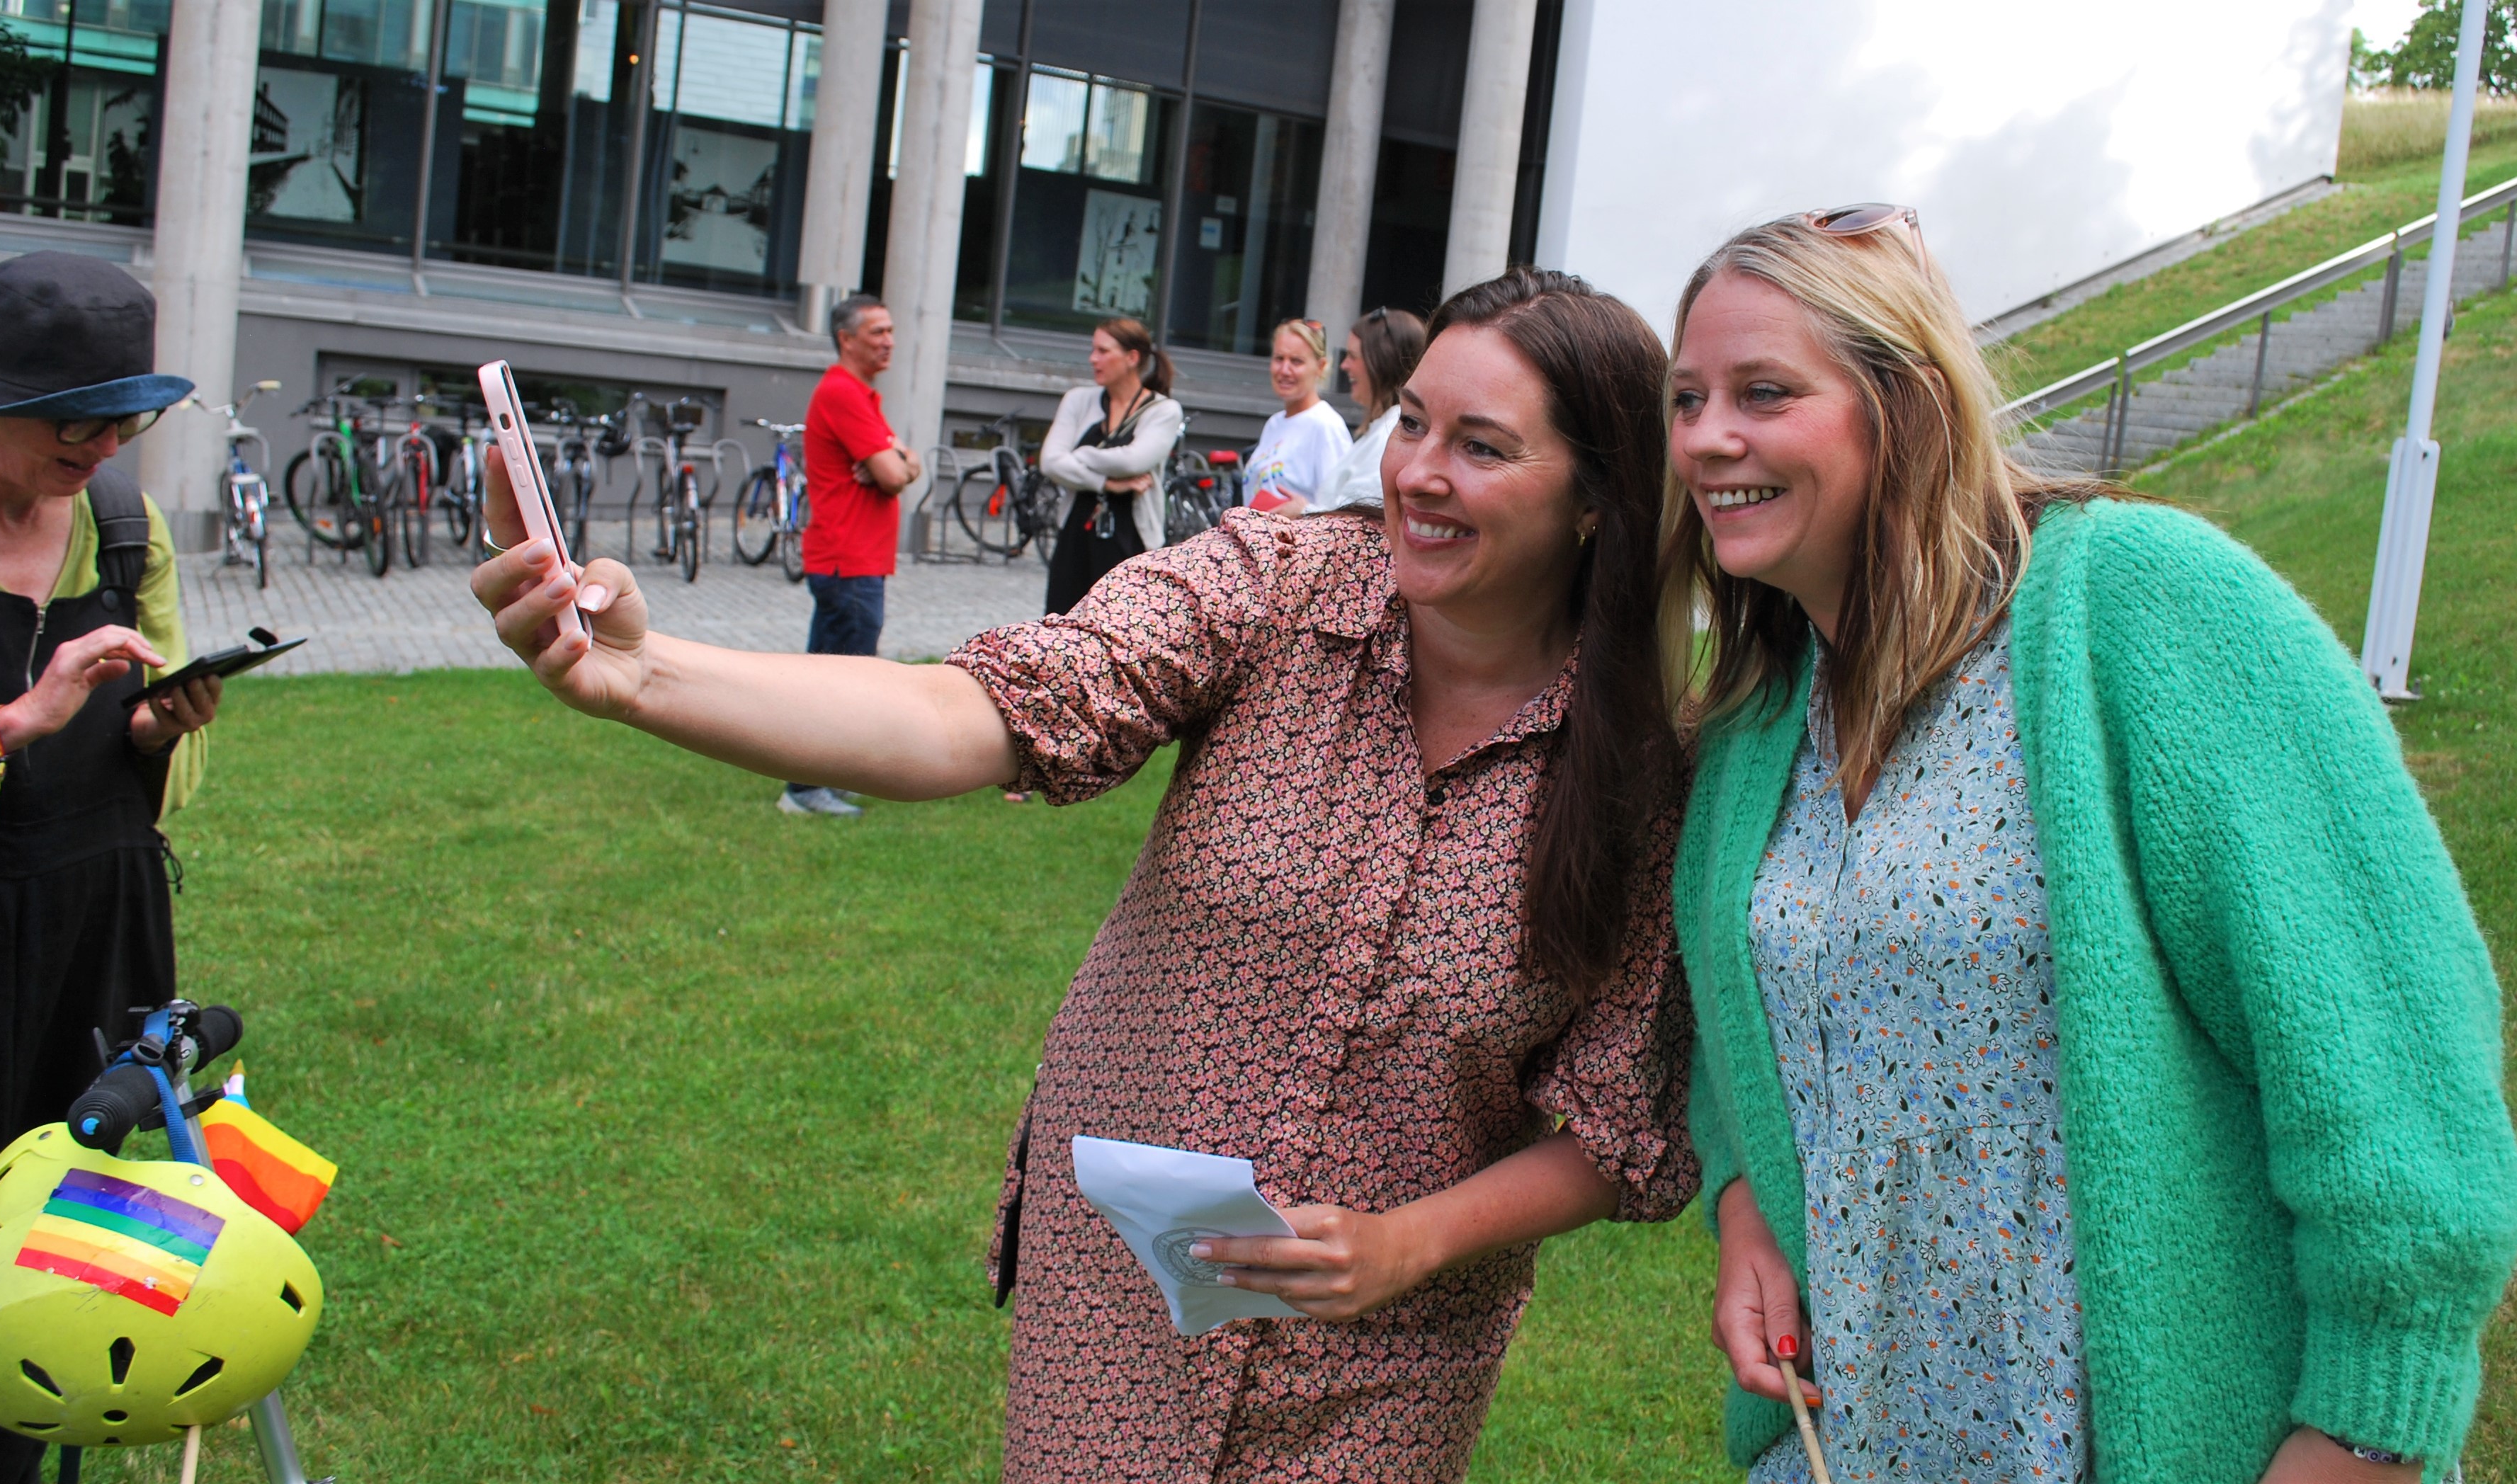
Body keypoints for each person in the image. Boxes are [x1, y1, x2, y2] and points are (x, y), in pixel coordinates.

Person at [472, 267, 1698, 1480]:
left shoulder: (1644, 762)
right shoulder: (1272, 588)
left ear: (1595, 496)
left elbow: (1618, 1120)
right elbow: (979, 711)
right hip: (1124, 1290)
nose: (1418, 471)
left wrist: (1405, 1245)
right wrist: (646, 675)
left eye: (1482, 447)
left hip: (1387, 1353)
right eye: (1413, 421)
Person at [1666, 209, 2517, 1483]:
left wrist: (2368, 1425)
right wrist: (1743, 1197)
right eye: (1686, 400)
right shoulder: (1761, 715)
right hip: (1858, 1444)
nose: (1706, 439)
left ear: (1902, 403)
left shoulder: (2143, 605)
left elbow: (2387, 1043)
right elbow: (1743, 1027)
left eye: (1764, 393)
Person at [0, 251, 222, 1484]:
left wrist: (151, 732)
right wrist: (18, 722)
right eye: (74, 421)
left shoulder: (123, 526)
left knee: (54, 1250)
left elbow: (159, 786)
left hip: (96, 935)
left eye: (124, 418)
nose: (103, 446)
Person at [783, 293, 921, 817]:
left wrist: (901, 462)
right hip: (847, 560)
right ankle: (804, 789)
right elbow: (893, 474)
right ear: (847, 339)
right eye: (876, 333)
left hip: (857, 561)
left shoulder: (862, 395)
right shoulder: (842, 392)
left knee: (837, 675)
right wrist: (897, 465)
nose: (889, 341)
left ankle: (822, 778)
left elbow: (907, 464)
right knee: (837, 682)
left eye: (890, 330)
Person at [1039, 316, 1184, 616]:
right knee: (1062, 622)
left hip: (1130, 537)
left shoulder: (1163, 410)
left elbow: (1135, 460)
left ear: (1132, 358)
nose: (1094, 359)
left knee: (1119, 622)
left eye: (1104, 351)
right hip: (1076, 533)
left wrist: (1080, 454)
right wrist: (1107, 483)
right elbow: (1050, 462)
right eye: (1093, 350)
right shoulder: (1078, 401)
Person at [1316, 307, 1425, 514]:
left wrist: (1301, 510)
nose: (1344, 366)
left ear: (1381, 363)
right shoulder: (1384, 428)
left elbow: (1357, 517)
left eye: (1353, 356)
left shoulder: (1394, 430)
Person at [1242, 317, 1351, 515]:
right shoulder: (1274, 423)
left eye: (1296, 361)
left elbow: (1342, 510)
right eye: (1279, 359)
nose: (1285, 370)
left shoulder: (1326, 426)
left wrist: (1303, 512)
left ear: (1320, 366)